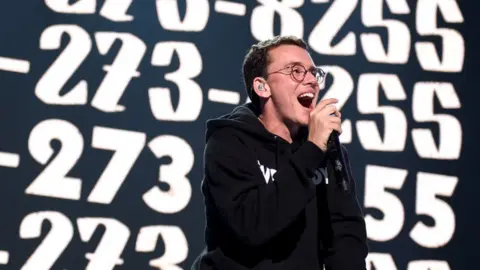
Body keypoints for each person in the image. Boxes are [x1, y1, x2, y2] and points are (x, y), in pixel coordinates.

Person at [192, 35, 368, 270]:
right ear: (262, 87)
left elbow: (345, 232)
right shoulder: (228, 141)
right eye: (295, 71)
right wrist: (312, 150)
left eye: (313, 73)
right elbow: (252, 226)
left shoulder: (328, 149)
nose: (311, 81)